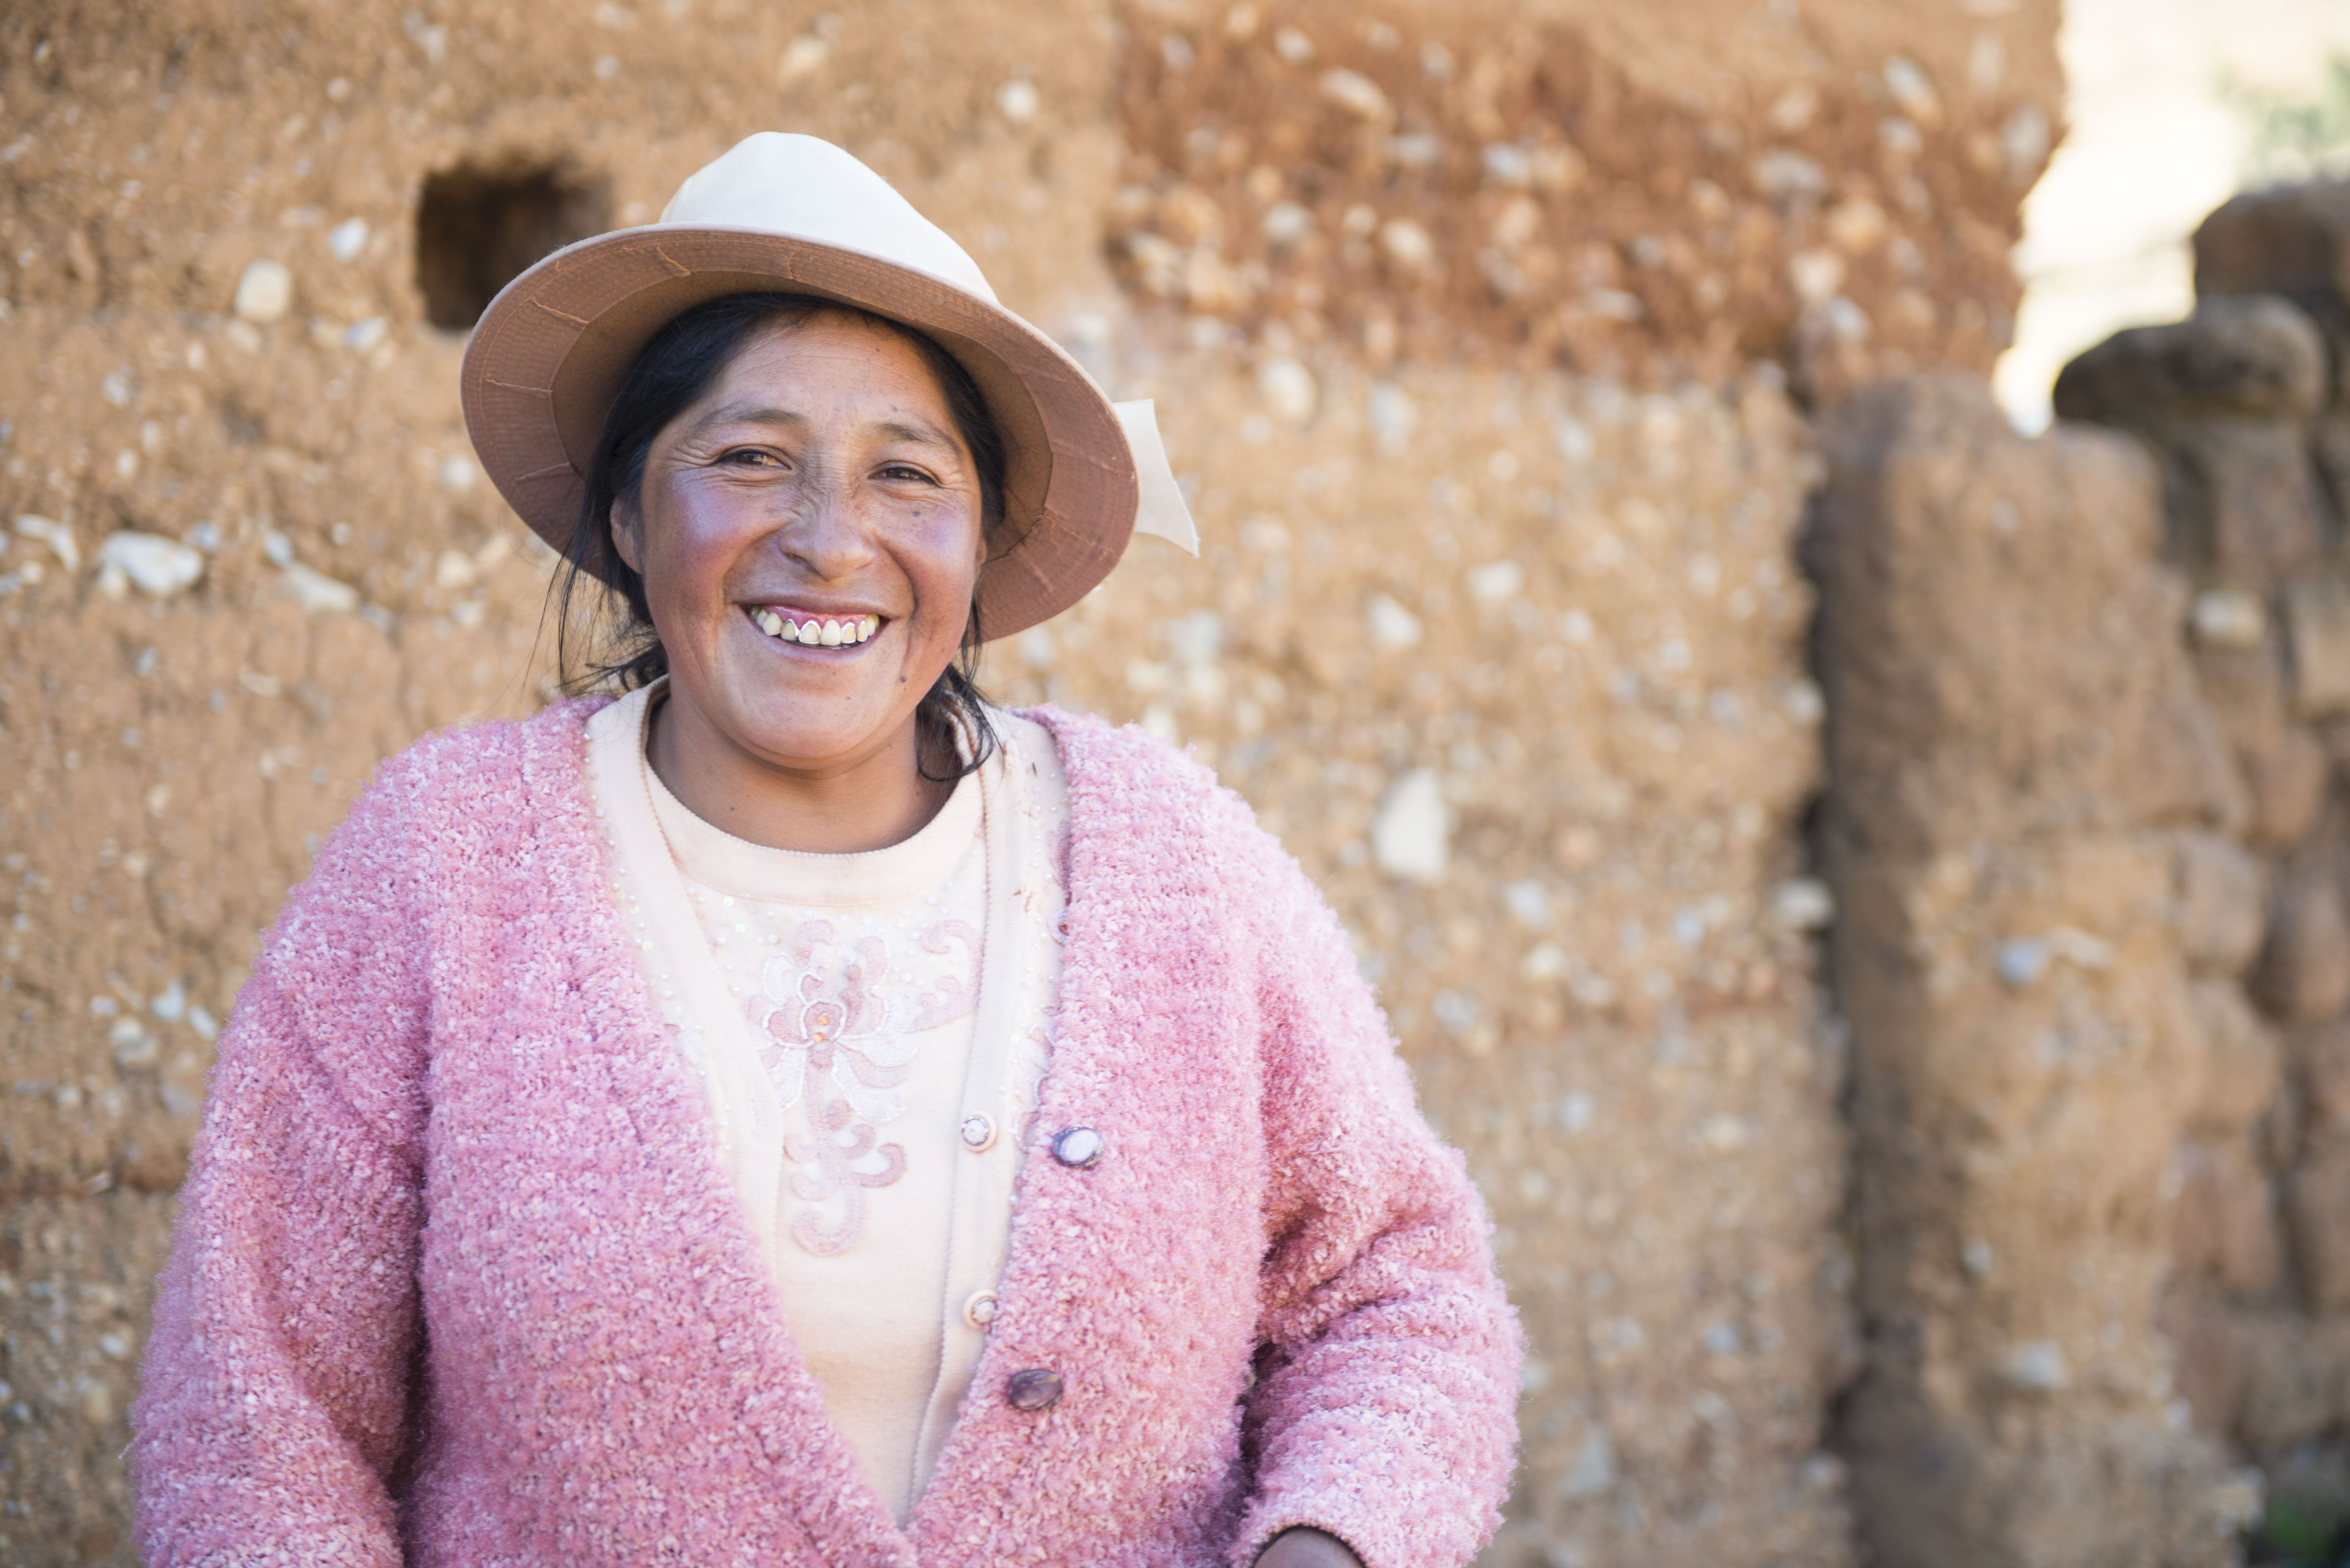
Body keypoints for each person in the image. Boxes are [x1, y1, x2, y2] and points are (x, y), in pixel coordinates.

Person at [131, 133, 1520, 1568]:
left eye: (906, 477)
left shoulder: (1168, 862)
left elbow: (1395, 1293)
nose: (830, 541)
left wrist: (1329, 1545)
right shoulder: (440, 868)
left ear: (978, 542)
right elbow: (255, 1428)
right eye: (749, 460)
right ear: (624, 515)